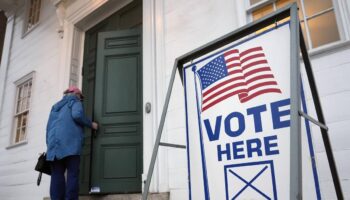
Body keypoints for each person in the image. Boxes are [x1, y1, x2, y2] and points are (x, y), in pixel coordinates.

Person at [46, 86, 98, 200]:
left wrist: (49, 146)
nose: (81, 99)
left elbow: (48, 128)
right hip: (71, 145)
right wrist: (91, 124)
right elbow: (77, 115)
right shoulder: (75, 101)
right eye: (80, 97)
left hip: (54, 146)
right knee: (72, 175)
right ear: (76, 94)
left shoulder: (55, 106)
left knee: (57, 175)